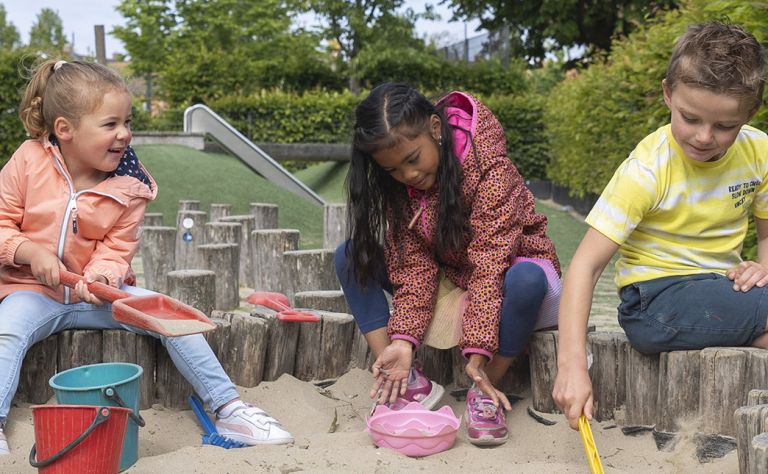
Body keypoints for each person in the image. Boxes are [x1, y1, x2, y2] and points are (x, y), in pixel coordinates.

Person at [0, 59, 292, 456]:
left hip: (99, 296)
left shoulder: (130, 185)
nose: (124, 134)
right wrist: (28, 250)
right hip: (33, 292)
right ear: (65, 129)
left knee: (172, 318)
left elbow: (117, 249)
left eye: (127, 121)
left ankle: (229, 407)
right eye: (110, 124)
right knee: (8, 332)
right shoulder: (27, 161)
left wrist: (101, 278)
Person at [553, 21, 768, 430]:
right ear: (668, 93)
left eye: (725, 126)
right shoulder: (648, 170)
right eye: (690, 118)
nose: (704, 137)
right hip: (655, 302)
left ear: (750, 113)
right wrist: (572, 366)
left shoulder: (759, 151)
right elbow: (585, 266)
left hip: (721, 287)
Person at [335, 83, 562, 445]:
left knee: (527, 279)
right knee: (350, 254)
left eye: (412, 159)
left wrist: (476, 351)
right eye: (392, 170)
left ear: (436, 129)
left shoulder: (490, 169)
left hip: (508, 274)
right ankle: (403, 379)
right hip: (453, 277)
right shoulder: (403, 186)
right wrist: (404, 341)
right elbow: (414, 266)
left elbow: (490, 263)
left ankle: (486, 387)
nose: (407, 175)